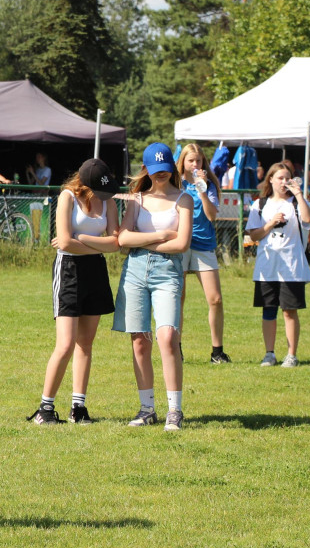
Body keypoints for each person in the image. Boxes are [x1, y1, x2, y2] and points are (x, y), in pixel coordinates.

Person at [29, 159, 120, 425]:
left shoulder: (109, 202)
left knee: (86, 344)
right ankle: (45, 409)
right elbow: (63, 242)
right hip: (68, 270)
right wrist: (95, 244)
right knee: (66, 344)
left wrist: (83, 241)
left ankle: (78, 408)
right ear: (85, 183)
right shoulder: (67, 197)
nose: (102, 195)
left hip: (96, 271)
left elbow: (115, 243)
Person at [113, 143, 194, 431]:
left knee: (168, 336)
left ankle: (175, 410)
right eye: (155, 171)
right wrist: (161, 235)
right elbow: (122, 238)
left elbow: (182, 244)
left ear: (172, 167)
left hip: (168, 272)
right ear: (146, 169)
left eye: (165, 170)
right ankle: (147, 408)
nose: (161, 175)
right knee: (139, 340)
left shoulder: (184, 200)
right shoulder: (136, 199)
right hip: (135, 270)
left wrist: (142, 238)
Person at [246, 162, 310, 367]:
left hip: (292, 267)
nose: (284, 182)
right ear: (271, 180)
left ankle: (291, 355)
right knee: (268, 310)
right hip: (267, 267)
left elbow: (308, 220)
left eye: (287, 178)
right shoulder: (260, 204)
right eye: (280, 178)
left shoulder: (296, 203)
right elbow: (253, 235)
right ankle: (269, 353)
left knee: (289, 311)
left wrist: (300, 195)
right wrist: (270, 223)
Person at [176, 144, 231, 364]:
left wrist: (202, 190)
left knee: (215, 299)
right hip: (180, 243)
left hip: (203, 244)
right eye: (191, 161)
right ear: (183, 162)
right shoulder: (175, 182)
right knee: (178, 298)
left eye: (198, 161)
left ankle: (217, 351)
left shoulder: (209, 185)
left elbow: (211, 216)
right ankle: (176, 348)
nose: (195, 165)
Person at [25, 152, 52, 243]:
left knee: (41, 218)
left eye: (39, 157)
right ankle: (34, 237)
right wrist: (28, 173)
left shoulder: (47, 170)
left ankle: (41, 238)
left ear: (44, 158)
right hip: (35, 194)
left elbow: (41, 184)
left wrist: (32, 172)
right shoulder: (38, 170)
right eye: (37, 157)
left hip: (42, 195)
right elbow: (30, 183)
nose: (37, 158)